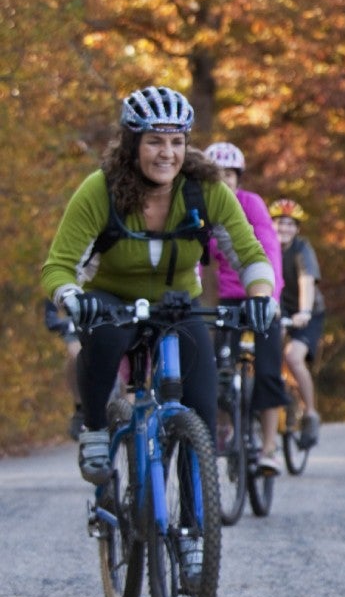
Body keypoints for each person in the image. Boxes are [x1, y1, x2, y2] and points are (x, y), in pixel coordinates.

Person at [42, 85, 276, 486]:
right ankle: (95, 427)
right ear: (133, 144)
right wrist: (72, 297)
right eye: (154, 141)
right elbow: (59, 267)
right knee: (106, 337)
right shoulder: (101, 190)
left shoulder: (207, 190)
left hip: (178, 303)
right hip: (112, 300)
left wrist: (259, 298)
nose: (167, 152)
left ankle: (193, 529)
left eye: (176, 141)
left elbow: (250, 254)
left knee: (201, 406)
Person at [203, 141, 287, 476]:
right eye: (216, 175)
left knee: (267, 371)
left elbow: (269, 250)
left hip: (261, 295)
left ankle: (269, 447)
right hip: (226, 299)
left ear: (238, 178)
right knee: (216, 369)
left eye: (229, 175)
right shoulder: (201, 208)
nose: (223, 181)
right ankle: (229, 432)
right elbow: (195, 261)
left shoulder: (251, 204)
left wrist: (271, 298)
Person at [271, 198, 324, 448]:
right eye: (280, 223)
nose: (285, 229)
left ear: (297, 229)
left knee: (293, 357)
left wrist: (303, 311)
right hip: (277, 311)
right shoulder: (265, 247)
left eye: (291, 224)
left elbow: (307, 281)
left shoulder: (302, 249)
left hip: (307, 312)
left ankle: (311, 413)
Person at [43, 300, 84, 440]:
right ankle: (80, 408)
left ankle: (131, 421)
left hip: (113, 314)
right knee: (77, 355)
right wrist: (52, 315)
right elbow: (55, 287)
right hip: (77, 320)